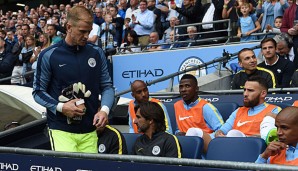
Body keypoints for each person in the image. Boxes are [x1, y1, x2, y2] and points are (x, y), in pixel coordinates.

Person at [32, 5, 115, 153]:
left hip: (90, 130)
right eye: (82, 31)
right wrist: (61, 107)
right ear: (69, 27)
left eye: (89, 32)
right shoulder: (49, 55)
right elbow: (38, 92)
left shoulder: (97, 53)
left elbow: (107, 86)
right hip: (60, 129)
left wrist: (104, 111)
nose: (86, 36)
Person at [216, 76, 281, 138]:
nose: (245, 94)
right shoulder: (238, 111)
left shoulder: (274, 110)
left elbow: (273, 136)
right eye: (245, 90)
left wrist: (247, 138)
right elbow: (222, 130)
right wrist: (219, 134)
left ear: (263, 93)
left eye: (250, 90)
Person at [174, 74, 224, 153]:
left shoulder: (206, 107)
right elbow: (178, 129)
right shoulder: (177, 105)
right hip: (184, 146)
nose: (183, 89)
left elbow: (221, 131)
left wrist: (200, 137)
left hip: (205, 147)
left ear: (196, 89)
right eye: (181, 87)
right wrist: (179, 133)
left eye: (187, 86)